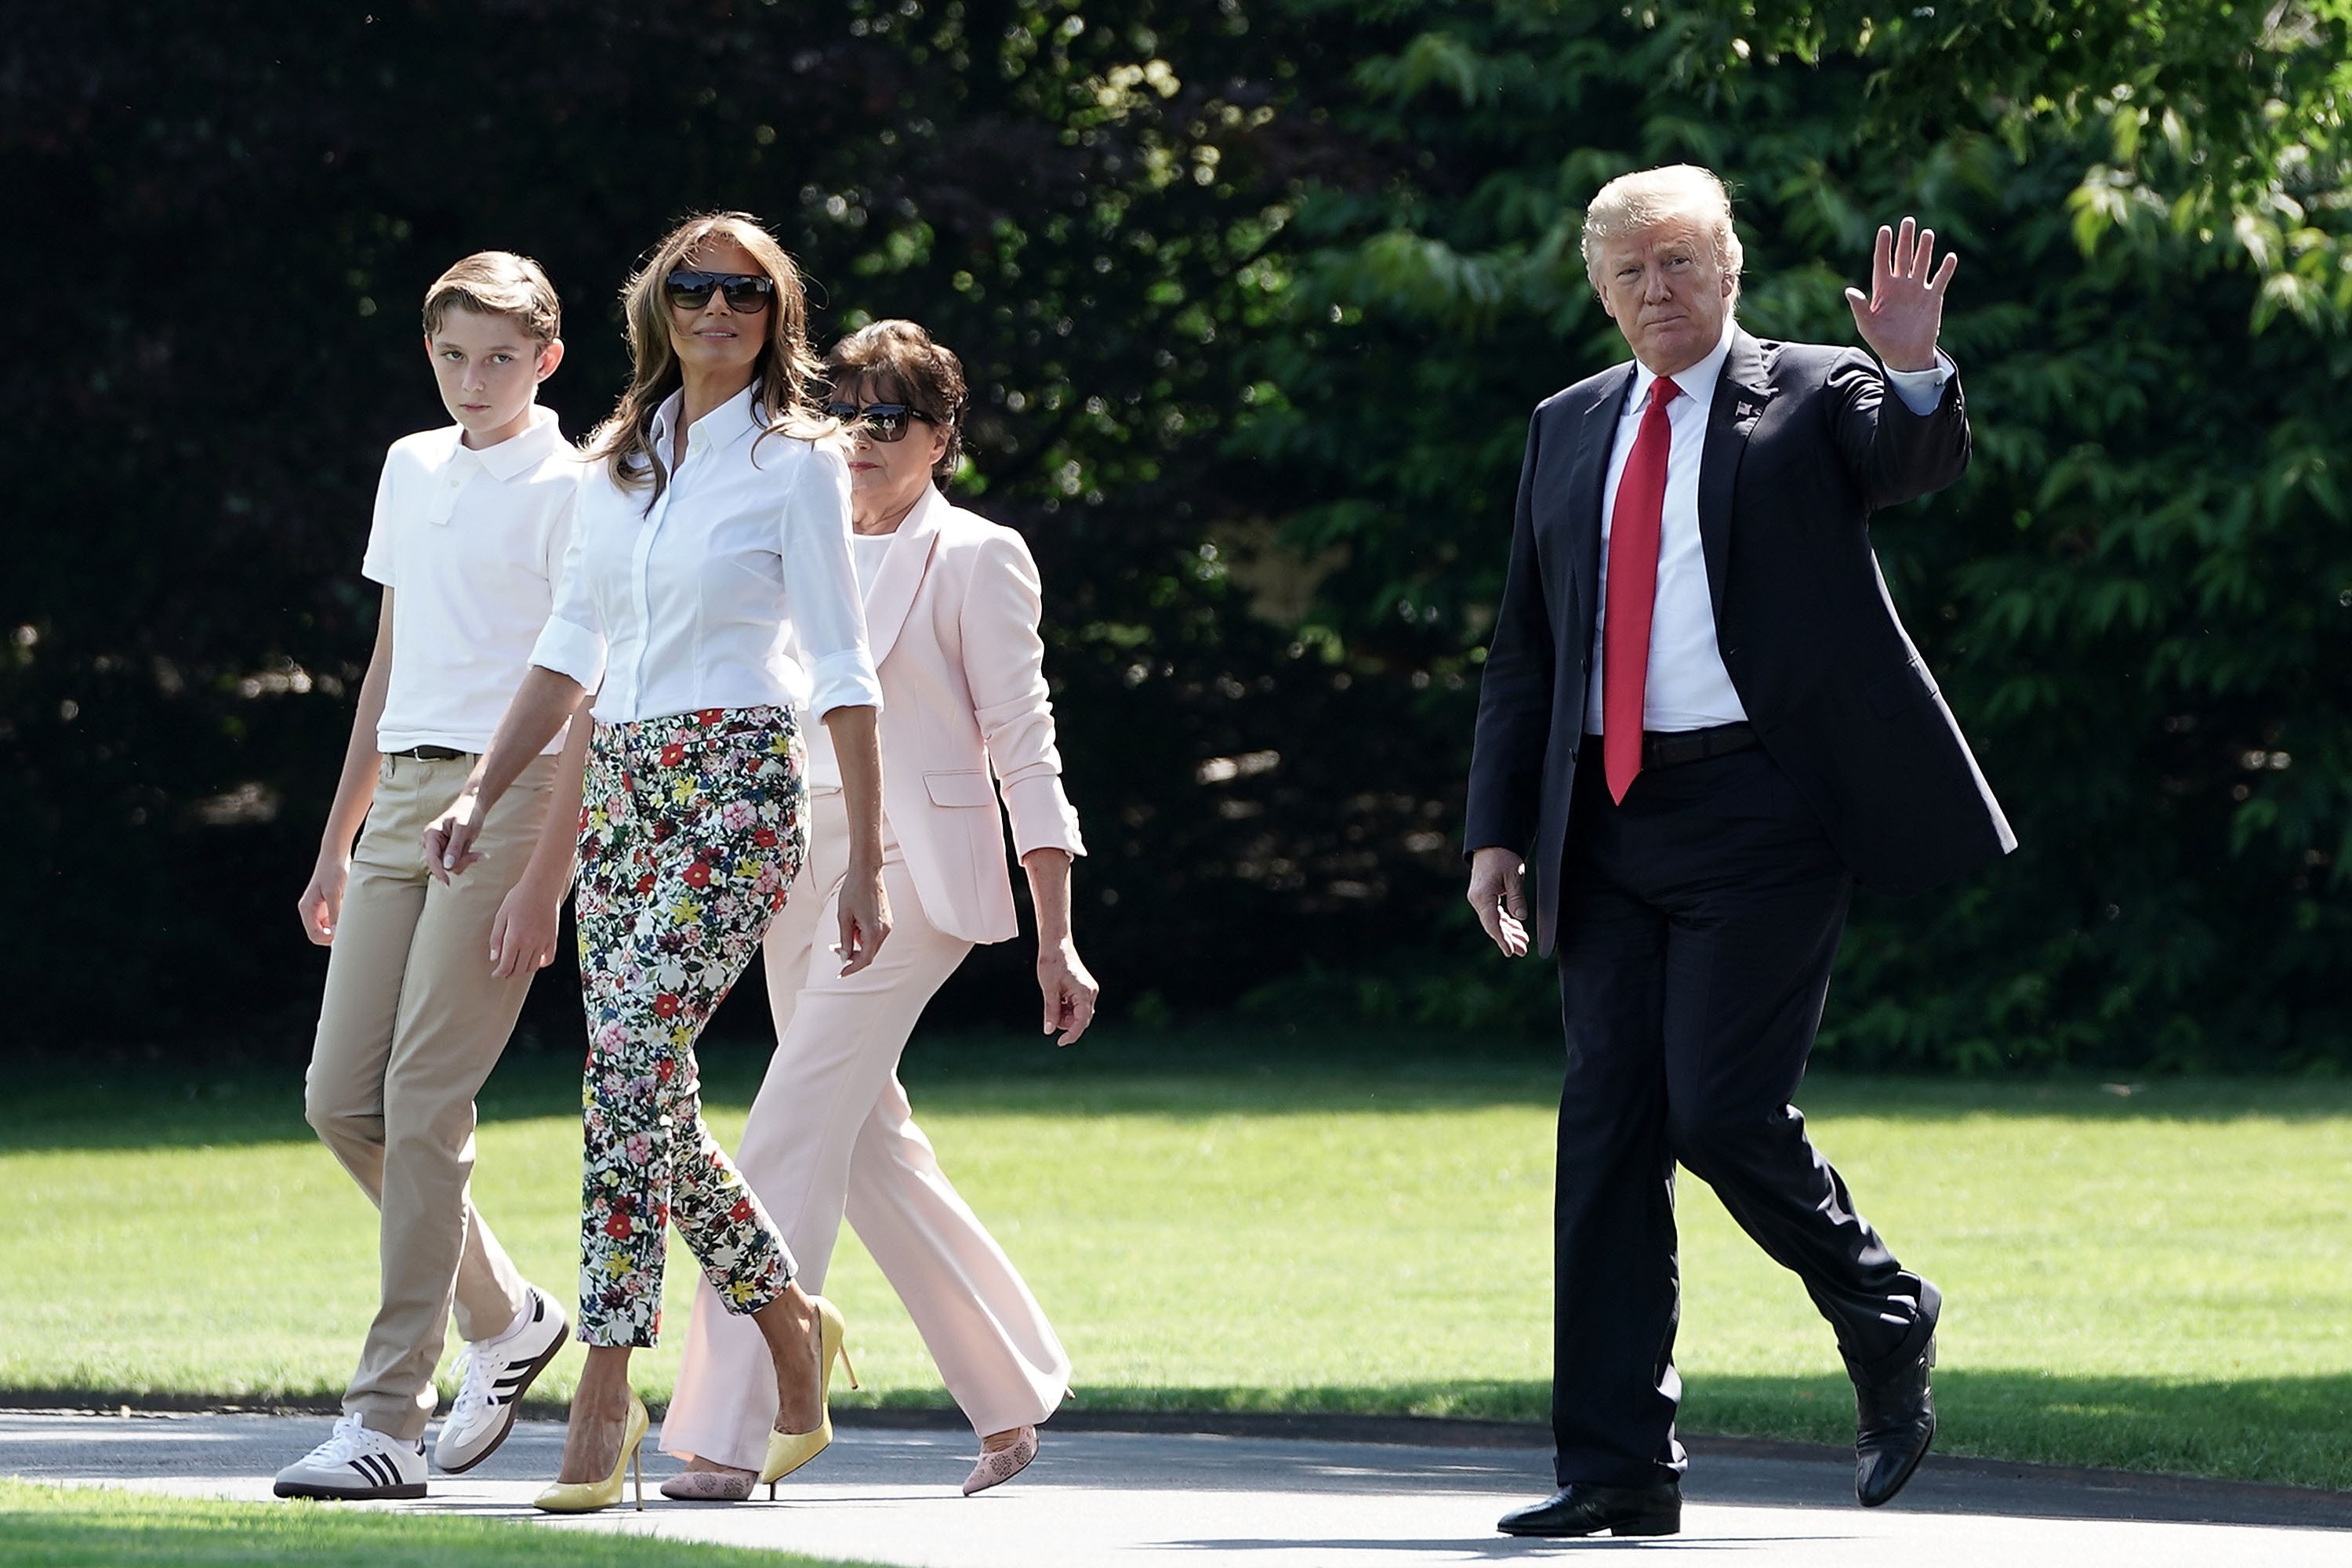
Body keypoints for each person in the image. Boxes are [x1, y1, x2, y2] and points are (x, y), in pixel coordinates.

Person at [1464, 165, 2012, 1539]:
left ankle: (1885, 1312)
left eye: (1683, 263)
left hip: (1765, 814)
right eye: (1632, 271)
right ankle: (1617, 1467)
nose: (1660, 290)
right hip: (1602, 820)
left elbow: (1914, 459)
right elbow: (1526, 651)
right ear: (1602, 289)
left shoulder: (1820, 392)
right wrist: (1495, 832)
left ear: (1730, 271)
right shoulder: (1567, 424)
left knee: (1717, 1111)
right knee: (1605, 1141)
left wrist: (1919, 369)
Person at [425, 212, 887, 1514]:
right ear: (659, 307)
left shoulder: (801, 460)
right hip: (624, 787)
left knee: (626, 1071)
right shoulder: (614, 461)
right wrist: (483, 792)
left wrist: (866, 863)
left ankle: (608, 1392)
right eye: (695, 287)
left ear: (776, 313)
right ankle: (795, 1330)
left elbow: (843, 667)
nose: (718, 307)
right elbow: (571, 647)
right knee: (645, 1092)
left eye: (746, 291)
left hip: (739, 785)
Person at [659, 320, 1096, 1502]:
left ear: (942, 436)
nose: (861, 436)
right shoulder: (796, 536)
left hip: (918, 880)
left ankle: (730, 1429)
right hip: (798, 869)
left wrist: (1056, 930)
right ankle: (1009, 1393)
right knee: (866, 1141)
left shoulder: (980, 556)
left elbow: (1025, 742)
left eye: (890, 414)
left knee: (788, 1125)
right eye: (842, 410)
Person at [273, 252, 586, 1502]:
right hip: (403, 795)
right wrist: (334, 838)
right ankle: (508, 1315)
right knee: (340, 1099)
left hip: (509, 807)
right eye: (454, 356)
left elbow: (585, 690)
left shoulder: (579, 486)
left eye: (501, 357)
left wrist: (541, 876)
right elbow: (391, 661)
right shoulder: (411, 466)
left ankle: (384, 1421)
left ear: (548, 360)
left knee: (422, 1102)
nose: (475, 380)